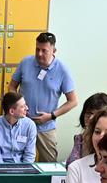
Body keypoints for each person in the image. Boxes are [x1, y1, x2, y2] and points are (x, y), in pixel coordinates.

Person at [8, 32, 78, 162]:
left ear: (54, 50)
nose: (39, 54)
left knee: (49, 164)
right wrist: (16, 107)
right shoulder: (26, 62)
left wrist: (51, 115)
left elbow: (73, 101)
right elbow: (12, 87)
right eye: (37, 49)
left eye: (44, 51)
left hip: (46, 127)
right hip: (21, 123)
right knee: (17, 161)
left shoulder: (62, 70)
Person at [65, 92, 107, 165]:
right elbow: (70, 164)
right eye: (88, 113)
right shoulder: (80, 138)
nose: (91, 118)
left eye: (96, 114)